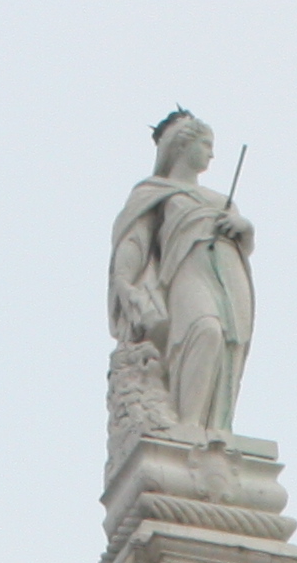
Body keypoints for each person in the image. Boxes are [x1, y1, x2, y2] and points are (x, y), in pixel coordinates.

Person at [109, 112, 258, 442]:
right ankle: (189, 422)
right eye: (206, 144)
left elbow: (245, 243)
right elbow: (135, 240)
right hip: (185, 271)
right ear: (181, 145)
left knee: (229, 341)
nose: (211, 154)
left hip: (229, 272)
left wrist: (244, 228)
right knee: (205, 330)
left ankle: (216, 427)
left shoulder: (221, 200)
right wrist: (125, 283)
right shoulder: (154, 192)